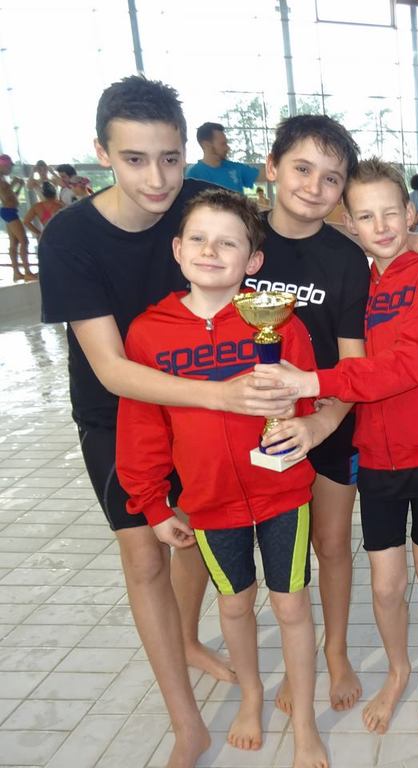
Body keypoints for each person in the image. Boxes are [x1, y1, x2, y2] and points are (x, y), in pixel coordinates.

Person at [39, 75, 301, 768]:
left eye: (170, 158)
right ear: (102, 153)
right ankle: (188, 724)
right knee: (145, 554)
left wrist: (407, 239)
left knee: (195, 535)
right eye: (134, 159)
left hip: (212, 409)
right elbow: (111, 368)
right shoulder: (70, 237)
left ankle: (187, 637)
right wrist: (218, 397)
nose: (156, 179)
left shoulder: (199, 205)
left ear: (187, 150)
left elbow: (286, 235)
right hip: (121, 412)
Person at [117, 189, 332, 768]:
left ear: (252, 261)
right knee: (234, 606)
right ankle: (252, 696)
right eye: (198, 239)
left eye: (228, 242)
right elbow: (141, 425)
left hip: (283, 494)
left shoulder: (279, 321)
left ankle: (305, 721)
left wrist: (301, 422)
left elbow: (308, 395)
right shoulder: (149, 333)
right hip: (209, 502)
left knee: (292, 606)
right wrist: (152, 504)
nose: (210, 251)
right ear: (177, 249)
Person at [254, 158, 418, 737]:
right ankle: (398, 670)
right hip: (373, 454)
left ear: (411, 213)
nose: (382, 226)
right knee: (386, 584)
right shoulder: (357, 282)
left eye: (391, 213)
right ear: (349, 223)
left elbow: (406, 366)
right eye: (366, 217)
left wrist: (312, 382)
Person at [245, 114, 368, 716]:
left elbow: (354, 361)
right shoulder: (240, 241)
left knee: (332, 543)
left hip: (327, 419)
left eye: (331, 178)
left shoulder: (345, 260)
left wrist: (324, 422)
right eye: (301, 168)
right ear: (272, 167)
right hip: (251, 419)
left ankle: (336, 650)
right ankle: (295, 655)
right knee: (277, 552)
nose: (314, 187)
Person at [186, 121, 263, 193]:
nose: (228, 148)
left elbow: (266, 174)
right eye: (223, 144)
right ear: (206, 145)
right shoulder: (194, 174)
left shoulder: (235, 168)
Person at [0, 153, 31, 281]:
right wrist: (14, 183)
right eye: (9, 167)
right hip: (8, 212)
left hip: (9, 210)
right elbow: (5, 195)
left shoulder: (3, 179)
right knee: (24, 241)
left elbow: (12, 197)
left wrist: (19, 186)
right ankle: (27, 272)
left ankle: (17, 273)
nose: (10, 169)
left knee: (14, 243)